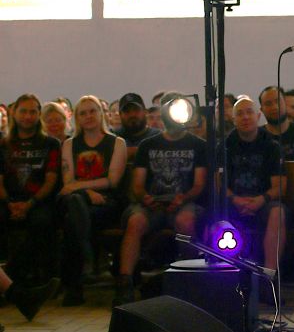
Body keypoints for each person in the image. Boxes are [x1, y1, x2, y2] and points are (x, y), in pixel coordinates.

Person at [117, 91, 207, 306]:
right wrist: (145, 197)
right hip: (151, 205)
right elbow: (137, 183)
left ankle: (189, 278)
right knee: (135, 221)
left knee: (185, 221)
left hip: (184, 203)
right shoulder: (148, 145)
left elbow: (199, 184)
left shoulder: (197, 145)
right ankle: (124, 283)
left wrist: (182, 198)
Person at [59, 95, 127, 306]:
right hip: (79, 199)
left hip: (106, 203)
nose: (88, 116)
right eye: (82, 113)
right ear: (77, 118)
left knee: (72, 220)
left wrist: (82, 190)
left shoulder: (116, 143)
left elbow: (112, 181)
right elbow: (67, 183)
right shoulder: (70, 144)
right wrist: (88, 192)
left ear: (101, 114)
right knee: (74, 203)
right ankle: (87, 257)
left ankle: (74, 286)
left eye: (92, 111)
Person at [217, 98, 286, 271]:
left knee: (278, 212)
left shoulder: (272, 146)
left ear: (258, 115)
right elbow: (217, 183)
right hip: (232, 201)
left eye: (249, 112)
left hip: (264, 202)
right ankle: (223, 273)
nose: (245, 117)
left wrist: (260, 200)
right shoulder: (224, 146)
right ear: (233, 120)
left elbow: (280, 186)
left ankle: (269, 275)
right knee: (212, 211)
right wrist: (235, 199)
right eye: (239, 114)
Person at [0, 94, 61, 289]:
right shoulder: (2, 145)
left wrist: (29, 204)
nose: (28, 116)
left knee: (41, 222)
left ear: (39, 114)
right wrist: (10, 203)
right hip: (8, 201)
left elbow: (51, 180)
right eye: (23, 111)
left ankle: (13, 277)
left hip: (39, 202)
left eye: (33, 111)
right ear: (14, 113)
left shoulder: (51, 144)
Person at [259, 86, 294, 160]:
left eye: (277, 101)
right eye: (268, 104)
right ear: (261, 109)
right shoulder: (256, 137)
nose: (274, 107)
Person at [115, 93, 161, 161]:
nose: (132, 115)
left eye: (136, 110)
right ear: (120, 114)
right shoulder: (112, 137)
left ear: (145, 112)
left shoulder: (158, 137)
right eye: (127, 111)